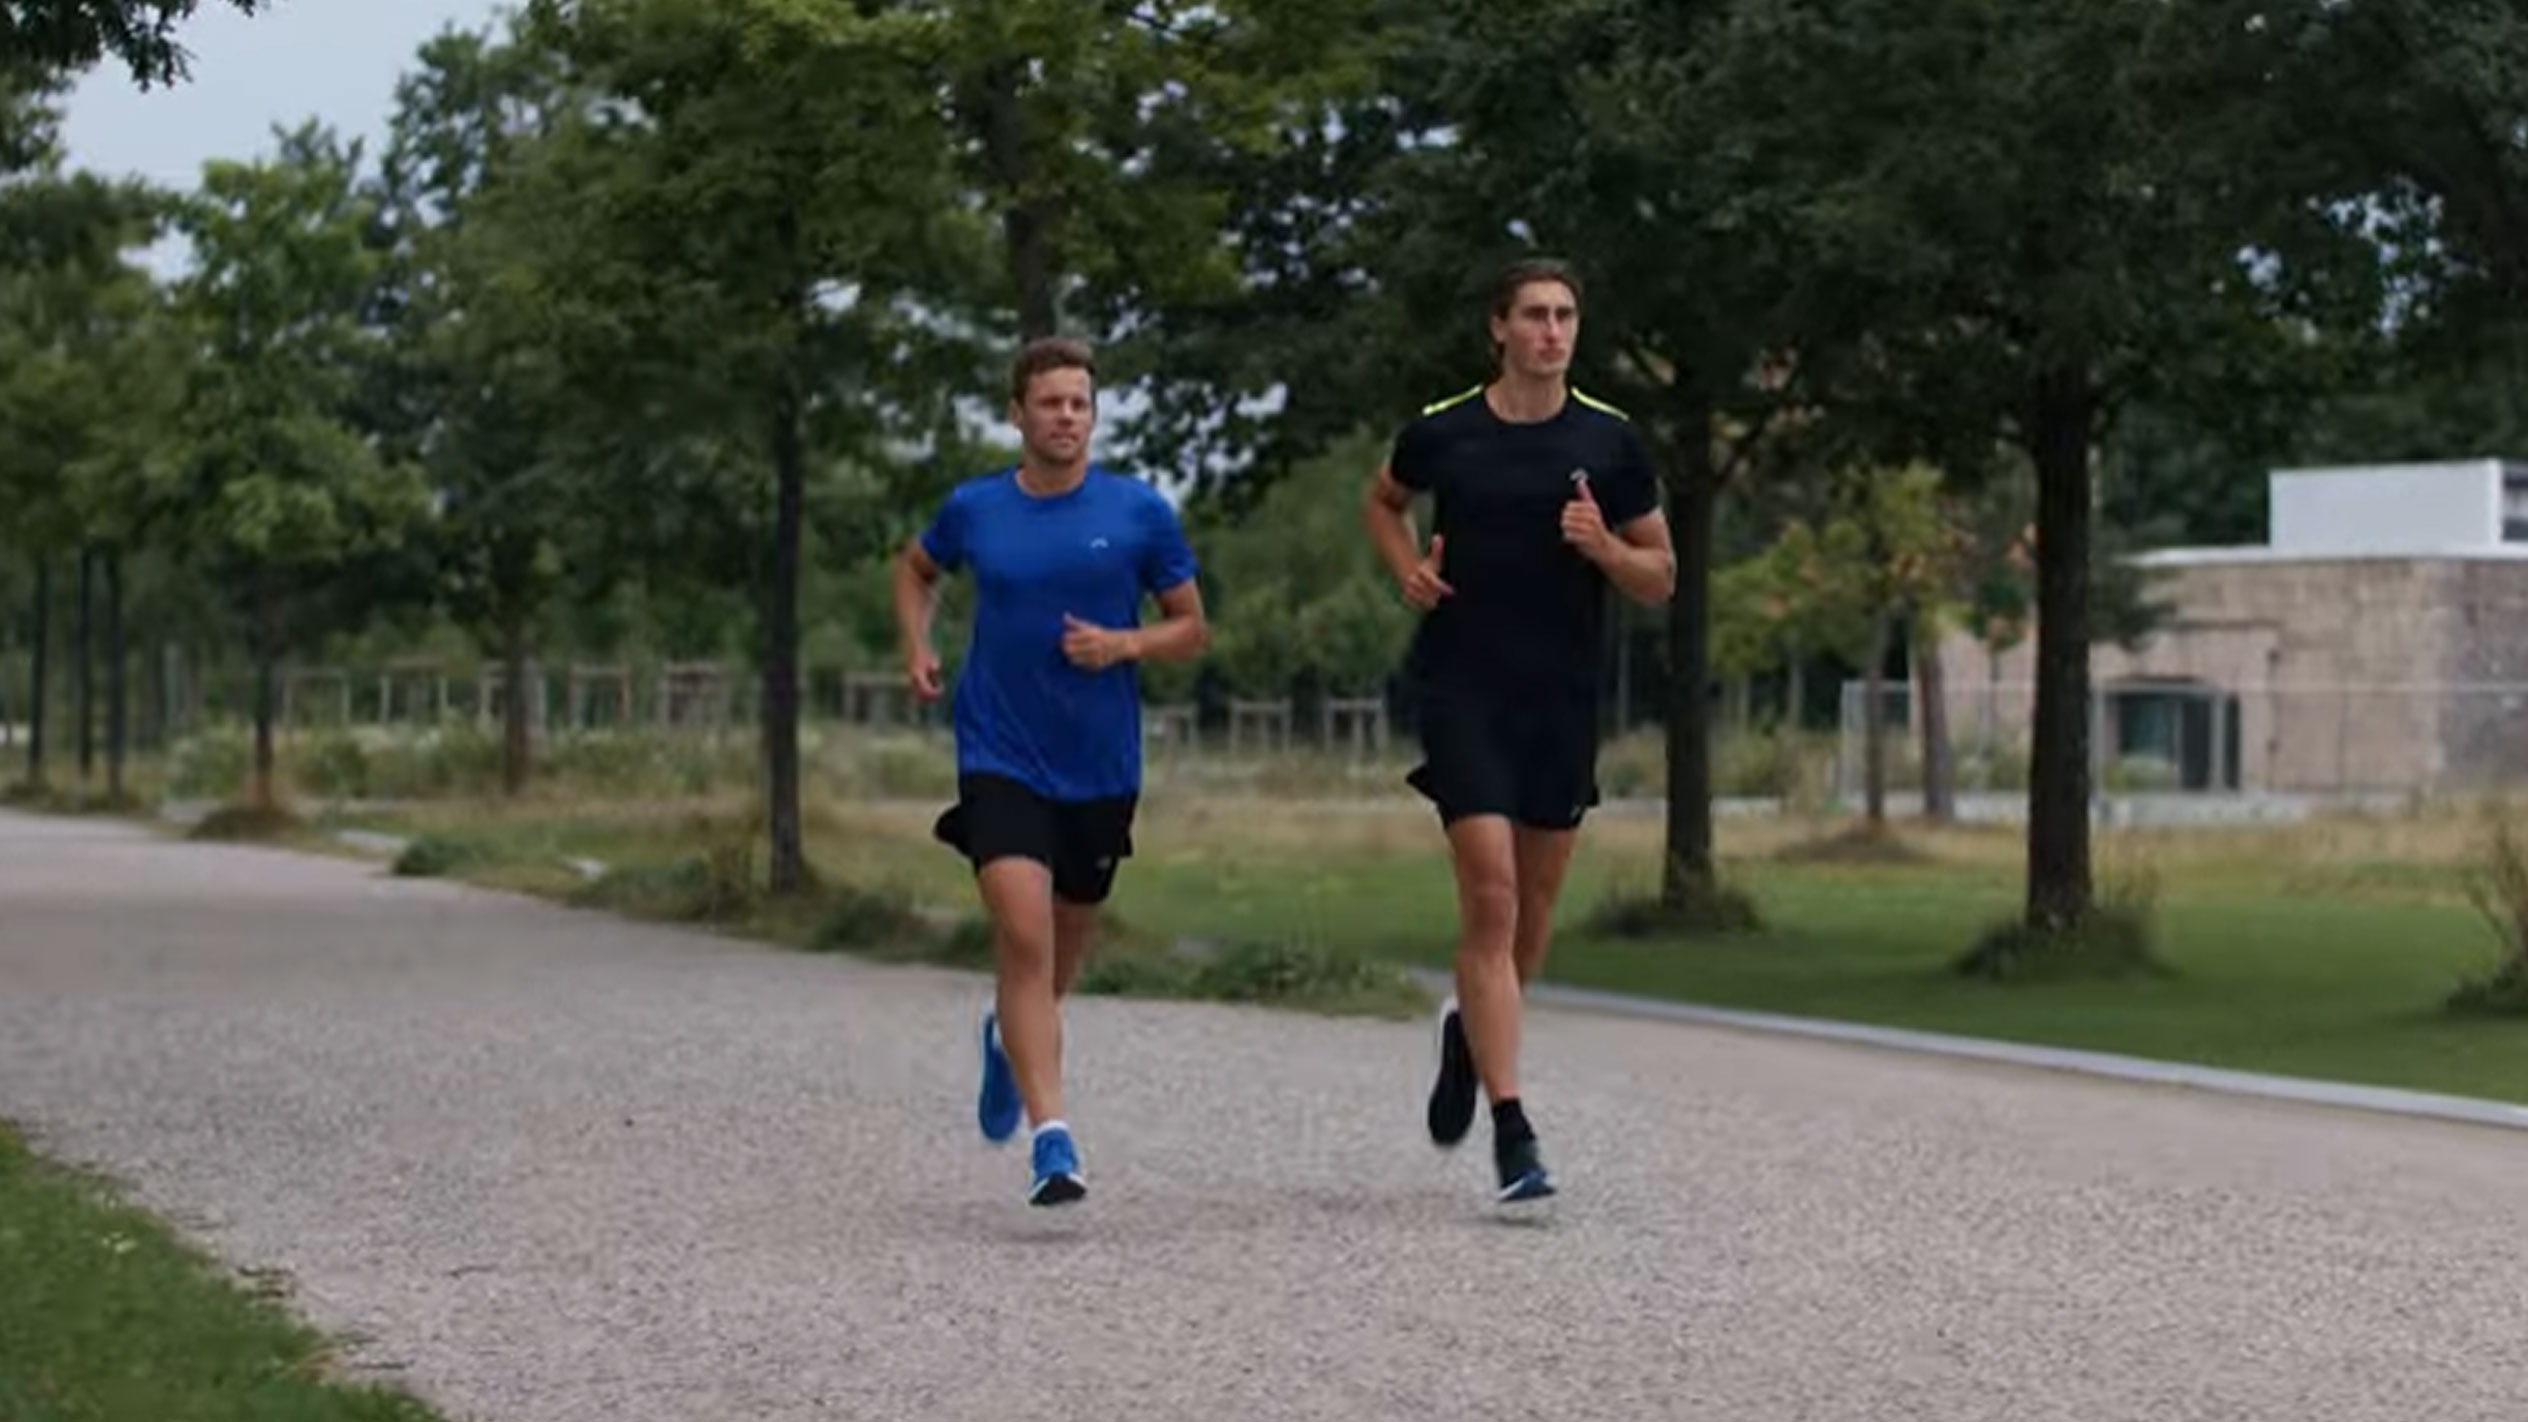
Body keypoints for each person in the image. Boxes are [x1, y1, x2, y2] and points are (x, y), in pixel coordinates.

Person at [1360, 257, 1676, 1204]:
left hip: (1562, 699)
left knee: (1531, 919)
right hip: (1463, 690)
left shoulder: (1611, 445)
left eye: (1566, 315)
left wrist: (1605, 547)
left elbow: (1660, 577)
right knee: (1491, 899)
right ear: (1498, 328)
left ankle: (1471, 1037)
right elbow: (1383, 502)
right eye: (1534, 314)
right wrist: (1406, 568)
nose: (1551, 330)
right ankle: (1514, 1128)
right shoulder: (1443, 432)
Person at [892, 336, 1208, 1207]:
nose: (1067, 417)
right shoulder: (976, 508)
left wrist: (1125, 644)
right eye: (1051, 403)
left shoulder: (1140, 512)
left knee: (1059, 951)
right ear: (1017, 413)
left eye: (1079, 403)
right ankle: (1054, 1140)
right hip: (998, 750)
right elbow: (916, 570)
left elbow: (1192, 626)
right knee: (1023, 934)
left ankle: (1008, 1040)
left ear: (1094, 415)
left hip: (1099, 763)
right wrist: (916, 642)